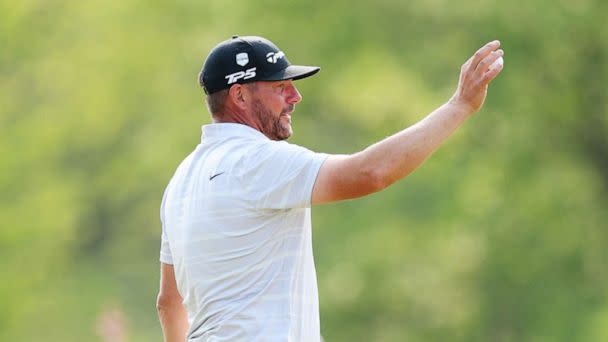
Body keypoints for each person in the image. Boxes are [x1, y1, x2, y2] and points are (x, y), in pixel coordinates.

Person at [156, 35, 504, 342]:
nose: (295, 96)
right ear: (240, 96)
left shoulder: (181, 180)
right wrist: (459, 106)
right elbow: (370, 172)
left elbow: (169, 303)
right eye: (280, 87)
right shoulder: (256, 161)